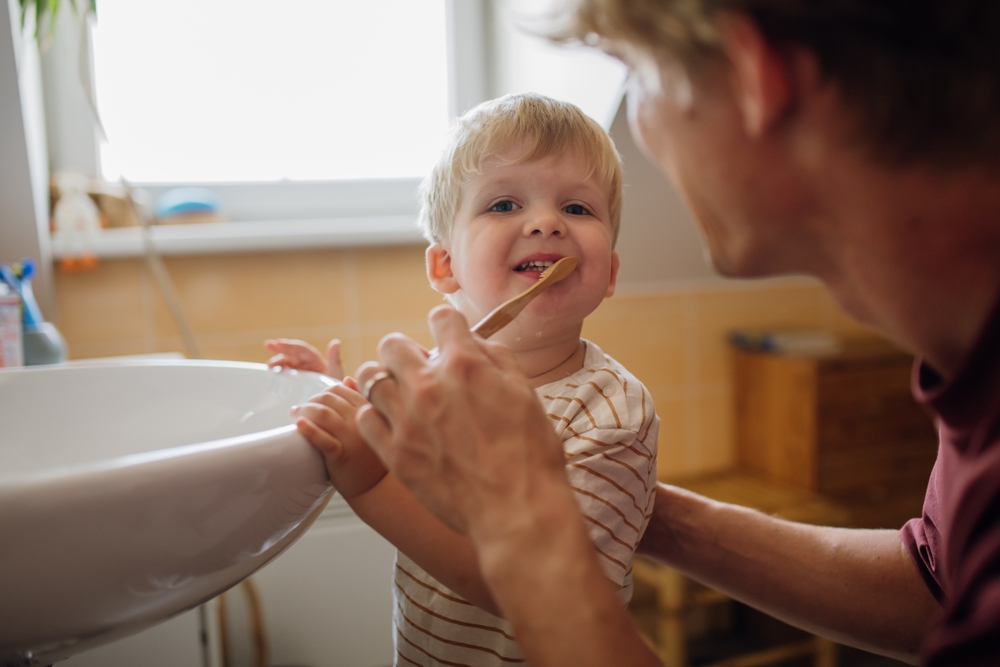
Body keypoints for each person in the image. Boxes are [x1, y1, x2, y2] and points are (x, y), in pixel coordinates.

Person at [343, 1, 1000, 666]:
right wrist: (622, 508)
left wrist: (519, 526)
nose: (640, 129)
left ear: (752, 78)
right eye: (505, 202)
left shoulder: (612, 403)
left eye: (638, 76)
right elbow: (940, 586)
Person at [267, 93, 660, 666]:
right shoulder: (435, 380)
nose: (547, 221)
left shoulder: (611, 411)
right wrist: (332, 397)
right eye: (504, 203)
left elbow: (553, 600)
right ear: (444, 266)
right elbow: (388, 444)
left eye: (578, 209)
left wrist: (369, 479)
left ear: (610, 275)